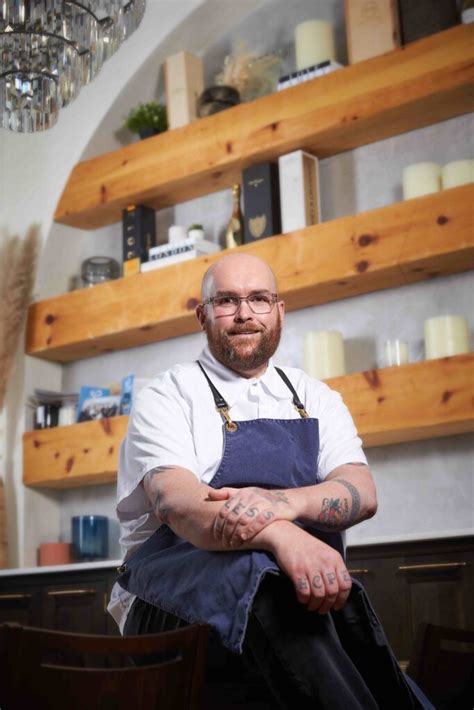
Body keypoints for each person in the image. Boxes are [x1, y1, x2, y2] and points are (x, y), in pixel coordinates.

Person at [109, 253, 431, 709]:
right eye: (227, 301)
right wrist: (283, 536)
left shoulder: (317, 398)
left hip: (300, 597)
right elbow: (177, 503)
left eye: (259, 299)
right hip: (164, 602)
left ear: (279, 311)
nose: (245, 313)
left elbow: (361, 492)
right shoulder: (167, 396)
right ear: (203, 315)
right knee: (265, 581)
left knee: (331, 601)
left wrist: (283, 504)